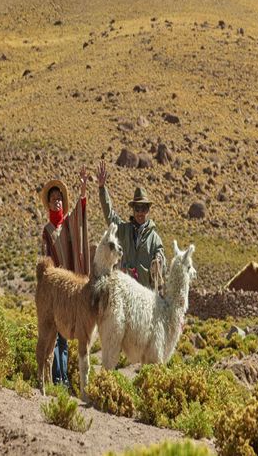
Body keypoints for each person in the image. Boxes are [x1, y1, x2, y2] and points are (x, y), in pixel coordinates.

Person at [39, 168, 90, 387]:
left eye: (59, 199)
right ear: (49, 204)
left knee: (66, 337)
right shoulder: (47, 231)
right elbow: (44, 260)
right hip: (55, 290)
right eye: (53, 200)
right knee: (55, 335)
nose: (57, 202)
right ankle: (57, 379)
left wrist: (83, 189)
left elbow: (80, 214)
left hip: (71, 289)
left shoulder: (68, 224)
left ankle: (62, 380)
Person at [97, 160, 165, 290]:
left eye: (143, 209)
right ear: (133, 210)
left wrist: (159, 261)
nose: (140, 213)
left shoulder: (155, 239)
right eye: (137, 209)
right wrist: (102, 189)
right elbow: (110, 215)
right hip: (126, 291)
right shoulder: (124, 230)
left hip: (145, 296)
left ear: (148, 210)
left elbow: (162, 263)